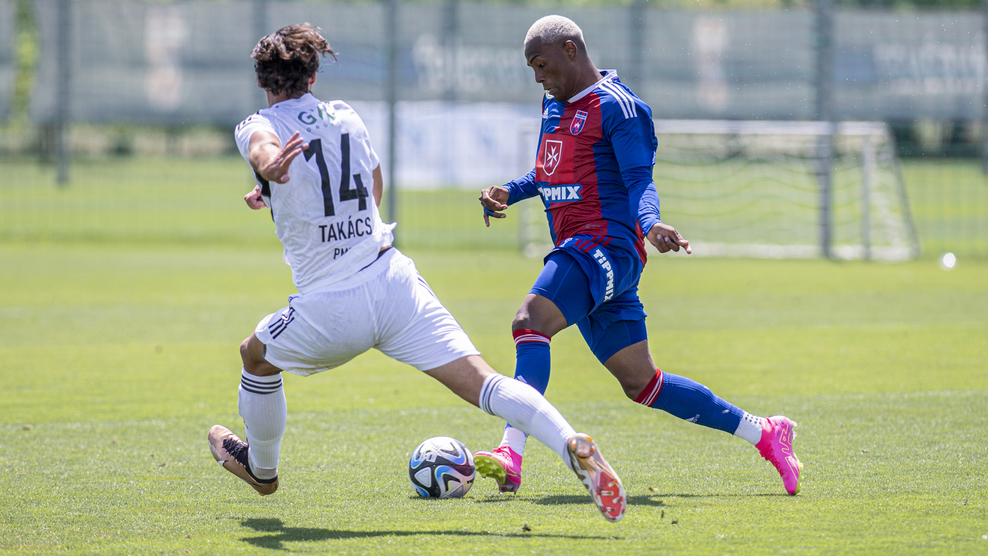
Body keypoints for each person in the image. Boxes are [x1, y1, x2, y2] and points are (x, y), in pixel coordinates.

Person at [207, 23, 628, 523]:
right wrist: (283, 191)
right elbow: (373, 186)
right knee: (485, 383)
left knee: (255, 357)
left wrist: (271, 169)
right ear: (314, 76)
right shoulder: (345, 116)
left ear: (261, 80)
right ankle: (570, 443)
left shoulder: (257, 123)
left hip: (332, 305)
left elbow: (262, 146)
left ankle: (262, 470)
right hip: (394, 282)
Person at [475, 15, 802, 497]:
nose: (539, 78)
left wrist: (650, 224)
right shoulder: (554, 104)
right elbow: (549, 173)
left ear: (570, 50)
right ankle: (766, 432)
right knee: (642, 383)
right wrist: (511, 190)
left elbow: (638, 181)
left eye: (542, 65)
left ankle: (511, 451)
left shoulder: (621, 108)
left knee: (530, 321)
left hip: (606, 247)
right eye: (533, 69)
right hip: (581, 251)